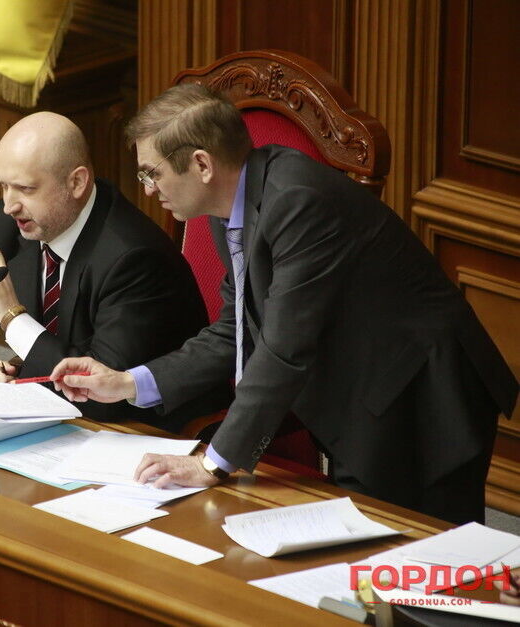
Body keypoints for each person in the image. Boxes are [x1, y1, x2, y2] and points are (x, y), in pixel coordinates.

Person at [51, 84, 518, 524]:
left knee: (433, 565)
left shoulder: (298, 203)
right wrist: (127, 382)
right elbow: (235, 330)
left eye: (152, 173)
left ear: (202, 164)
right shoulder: (226, 208)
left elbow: (283, 349)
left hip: (423, 395)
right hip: (363, 393)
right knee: (365, 561)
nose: (148, 189)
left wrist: (212, 463)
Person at [0, 111, 223, 425]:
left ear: (76, 182)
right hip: (49, 415)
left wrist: (13, 319)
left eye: (26, 189)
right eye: (4, 186)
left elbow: (102, 396)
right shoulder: (10, 226)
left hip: (144, 432)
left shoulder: (134, 257)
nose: (9, 205)